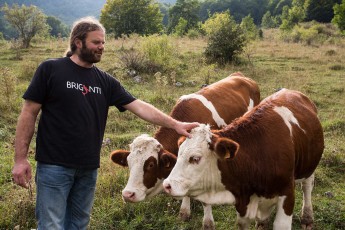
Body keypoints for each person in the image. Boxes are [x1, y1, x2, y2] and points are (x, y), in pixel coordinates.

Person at [12, 16, 199, 230]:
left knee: (79, 224)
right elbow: (28, 113)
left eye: (103, 43)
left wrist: (175, 124)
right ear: (78, 42)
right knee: (51, 224)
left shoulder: (104, 81)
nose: (101, 47)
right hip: (55, 165)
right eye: (96, 42)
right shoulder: (51, 70)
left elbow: (139, 106)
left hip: (88, 168)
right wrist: (20, 159)